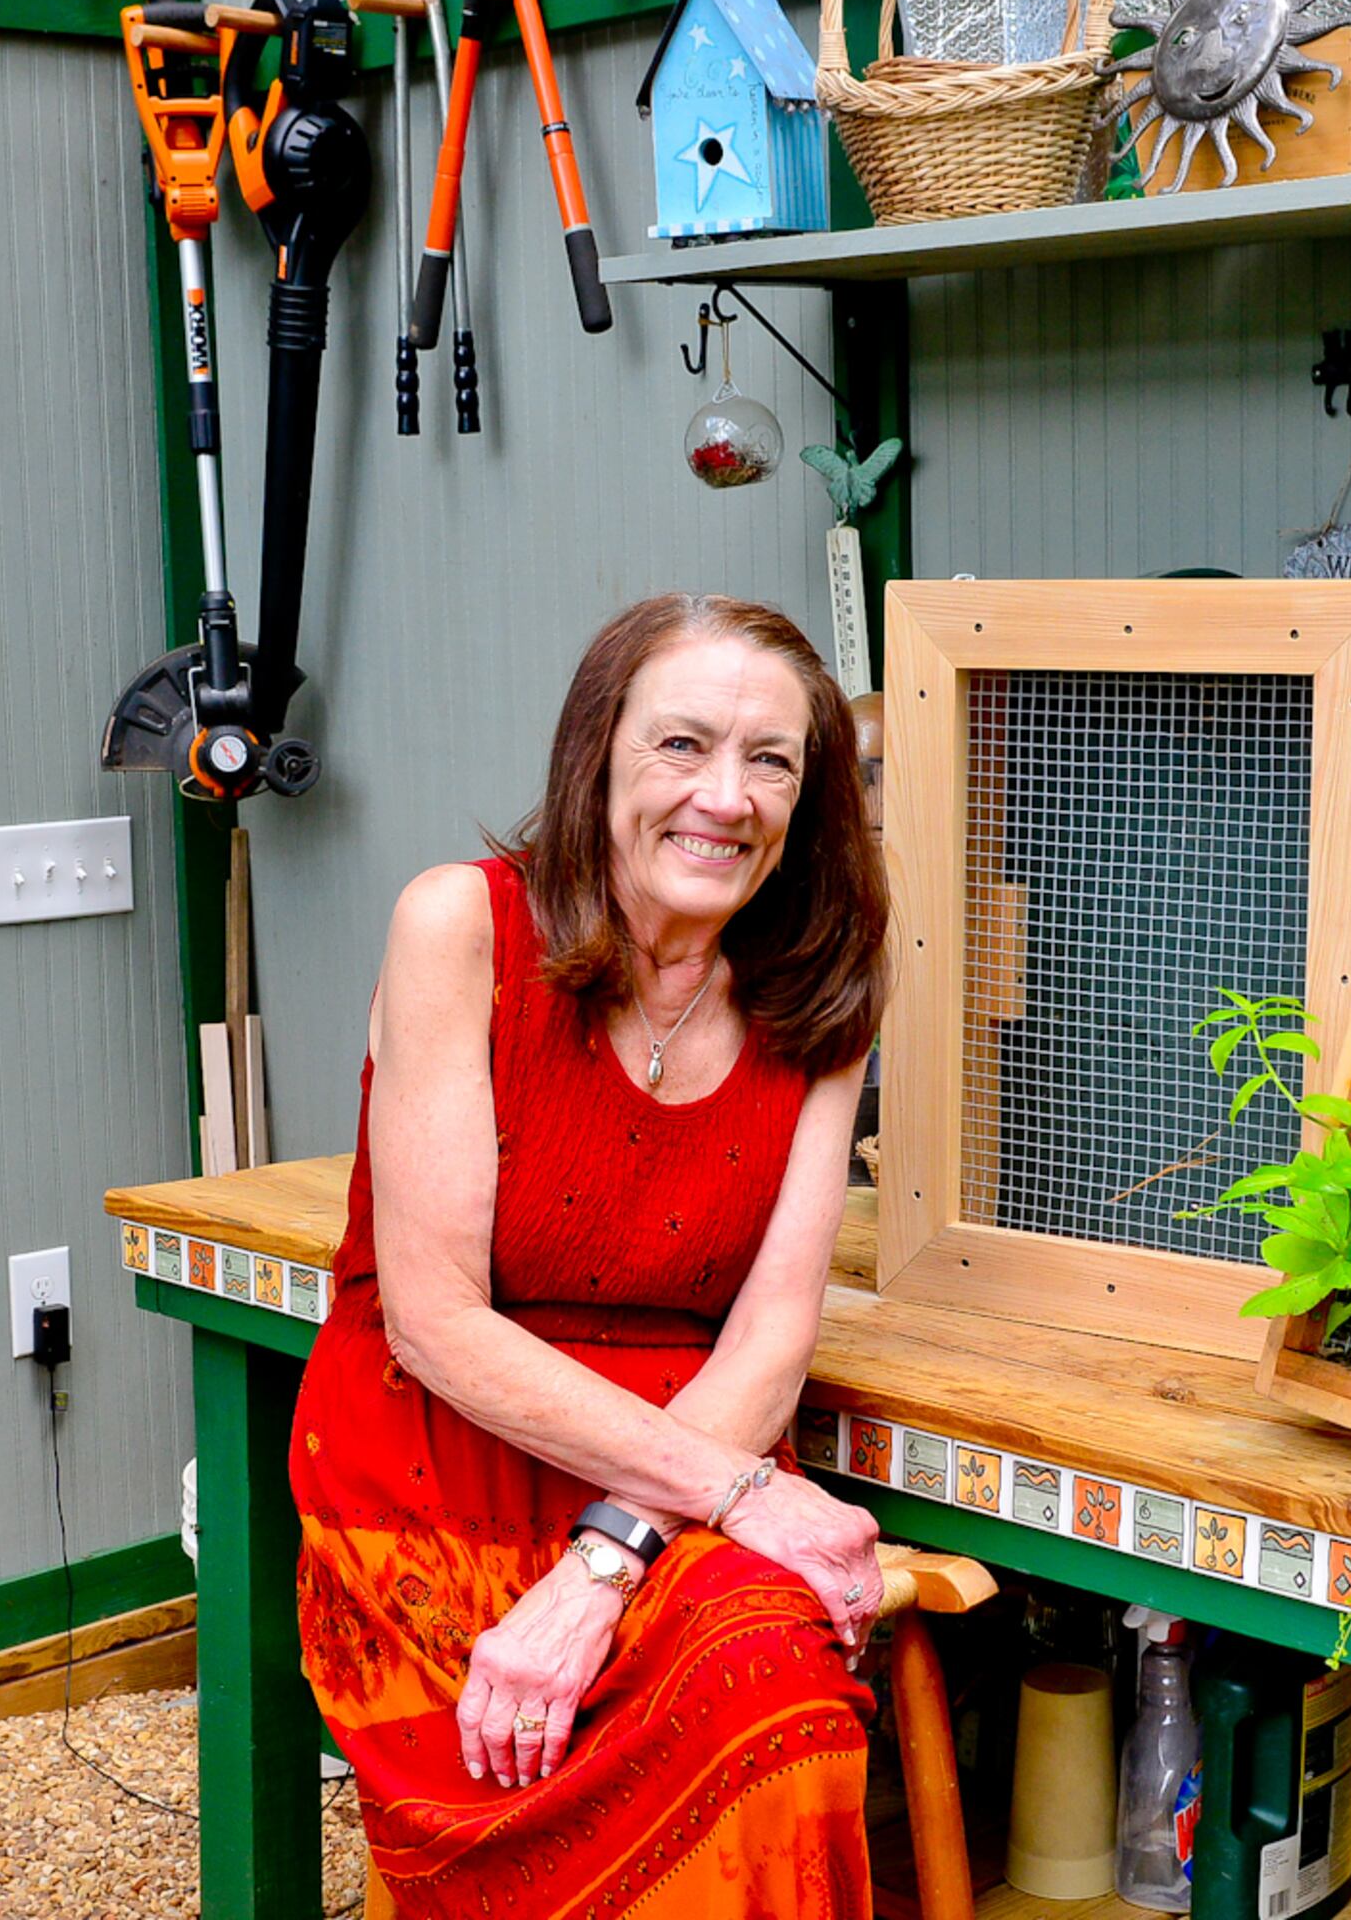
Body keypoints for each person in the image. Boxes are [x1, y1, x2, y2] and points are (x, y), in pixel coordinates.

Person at [290, 594, 896, 1917]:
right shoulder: (464, 927)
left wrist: (606, 1563)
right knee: (508, 1763)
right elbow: (433, 1320)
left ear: (813, 797)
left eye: (772, 760)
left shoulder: (824, 982)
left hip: (666, 1484)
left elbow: (774, 1334)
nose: (724, 798)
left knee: (782, 1704)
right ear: (598, 757)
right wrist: (740, 1497)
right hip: (432, 1463)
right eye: (681, 746)